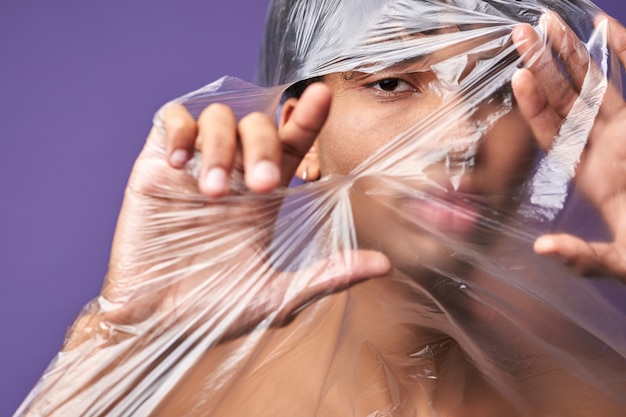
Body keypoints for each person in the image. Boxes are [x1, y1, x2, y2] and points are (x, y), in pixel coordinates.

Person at [16, 1, 626, 416]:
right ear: (301, 132)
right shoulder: (191, 395)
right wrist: (118, 342)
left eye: (499, 90)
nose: (459, 138)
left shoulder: (594, 389)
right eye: (391, 83)